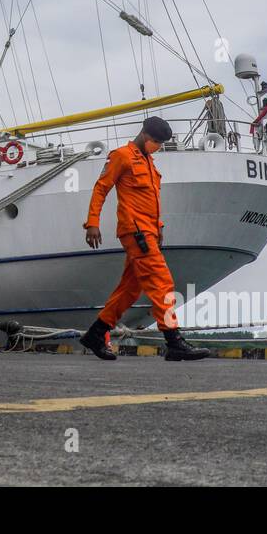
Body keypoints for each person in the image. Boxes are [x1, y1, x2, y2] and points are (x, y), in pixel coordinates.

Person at [80, 116, 210, 362]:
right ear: (144, 135)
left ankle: (96, 334)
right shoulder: (121, 156)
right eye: (155, 141)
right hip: (135, 232)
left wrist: (159, 226)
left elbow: (150, 200)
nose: (157, 146)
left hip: (148, 231)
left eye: (160, 144)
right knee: (163, 282)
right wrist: (93, 223)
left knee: (130, 289)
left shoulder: (149, 163)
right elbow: (101, 188)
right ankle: (174, 341)